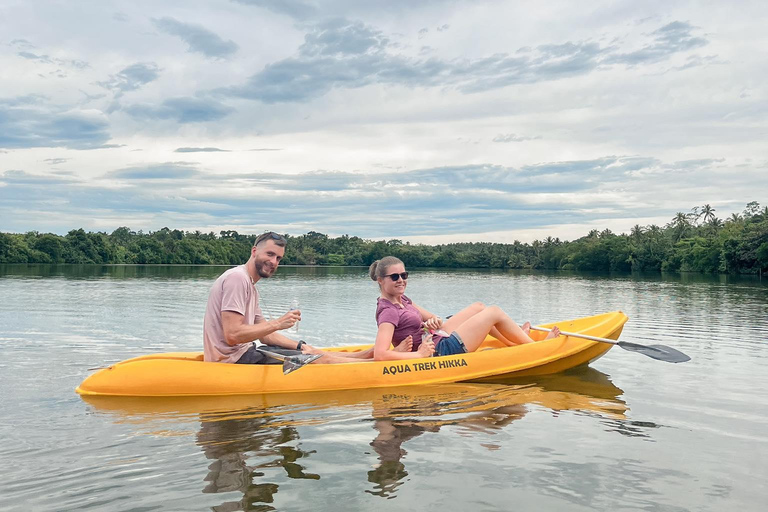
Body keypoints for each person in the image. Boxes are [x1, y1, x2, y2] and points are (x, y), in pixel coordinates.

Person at [203, 231, 371, 365]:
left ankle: (366, 356)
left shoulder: (250, 285)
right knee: (315, 360)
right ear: (254, 251)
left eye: (278, 258)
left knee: (311, 353)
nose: (273, 262)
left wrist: (301, 345)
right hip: (233, 360)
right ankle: (373, 366)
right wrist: (278, 323)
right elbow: (232, 334)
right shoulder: (237, 278)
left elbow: (266, 337)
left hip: (245, 353)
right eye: (270, 254)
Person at [369, 256, 560, 361]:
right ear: (380, 280)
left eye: (404, 275)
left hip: (436, 336)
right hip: (439, 351)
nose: (401, 280)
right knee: (493, 312)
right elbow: (380, 354)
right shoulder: (388, 311)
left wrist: (433, 322)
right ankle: (535, 348)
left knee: (479, 307)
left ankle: (513, 341)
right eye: (395, 277)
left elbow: (434, 319)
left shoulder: (402, 299)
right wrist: (419, 354)